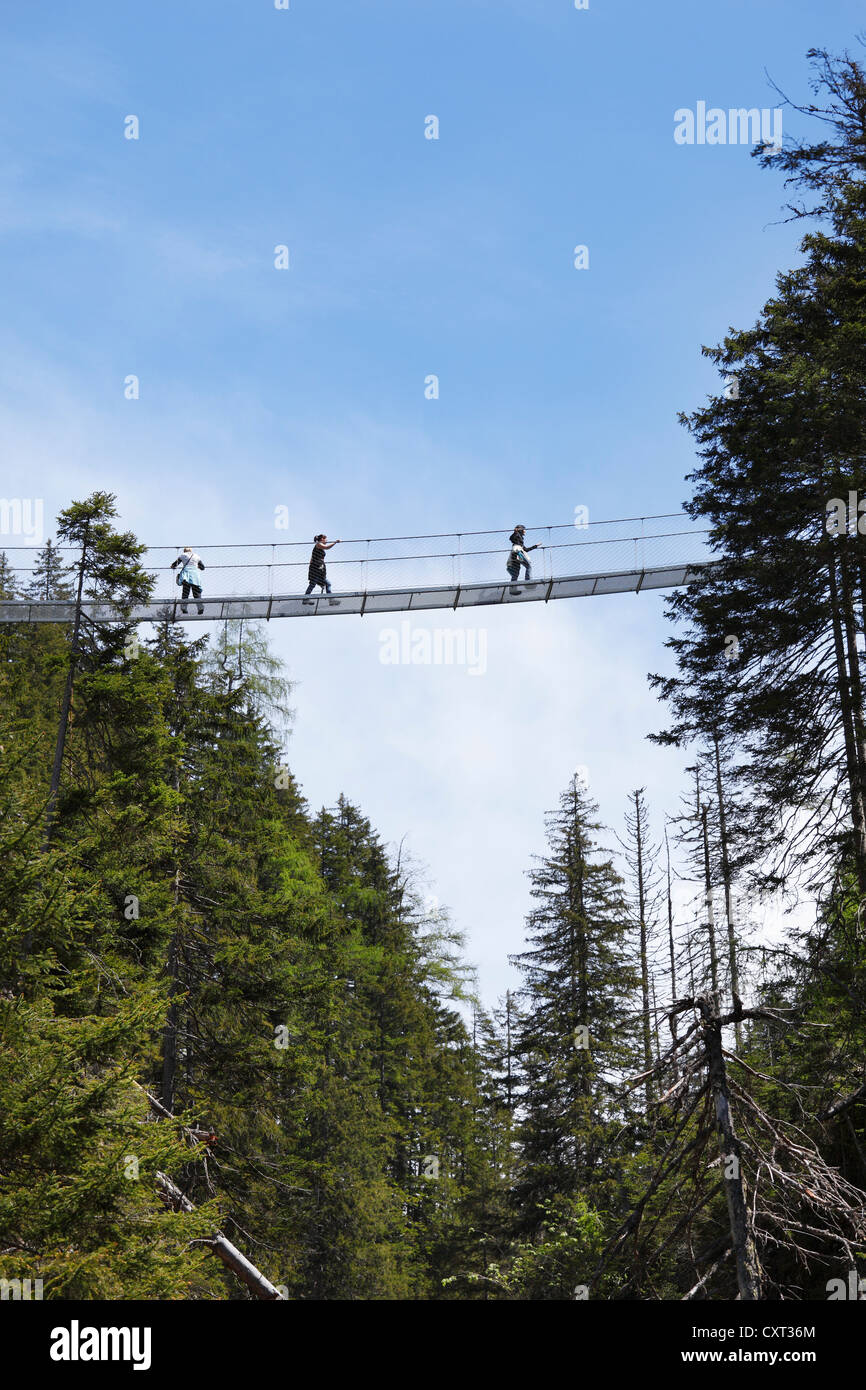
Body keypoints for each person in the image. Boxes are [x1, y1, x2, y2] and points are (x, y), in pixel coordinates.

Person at [303, 533, 341, 601]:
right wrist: (335, 542)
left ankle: (331, 600)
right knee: (313, 584)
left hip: (319, 568)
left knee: (327, 583)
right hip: (316, 568)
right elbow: (327, 547)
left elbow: (311, 559)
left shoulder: (319, 547)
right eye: (325, 539)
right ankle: (306, 599)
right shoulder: (318, 544)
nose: (326, 541)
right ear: (322, 539)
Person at [171, 546, 205, 614]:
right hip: (195, 576)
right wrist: (196, 566)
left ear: (184, 551)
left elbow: (175, 564)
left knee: (185, 593)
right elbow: (202, 567)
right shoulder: (196, 556)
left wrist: (172, 566)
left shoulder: (183, 555)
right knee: (196, 593)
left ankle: (184, 608)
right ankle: (200, 608)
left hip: (186, 576)